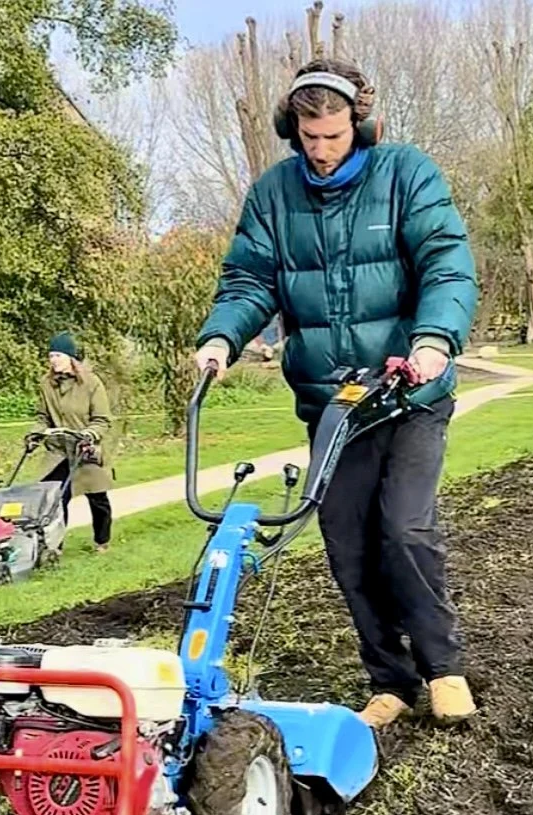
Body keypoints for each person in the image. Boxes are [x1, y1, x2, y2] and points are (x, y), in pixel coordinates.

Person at [193, 57, 479, 728]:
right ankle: (389, 680)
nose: (321, 152)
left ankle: (444, 669)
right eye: (309, 137)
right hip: (335, 404)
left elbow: (447, 262)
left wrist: (433, 339)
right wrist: (221, 338)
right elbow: (250, 281)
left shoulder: (405, 174)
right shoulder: (273, 194)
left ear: (361, 124)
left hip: (409, 392)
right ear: (291, 129)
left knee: (404, 529)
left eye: (334, 136)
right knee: (346, 541)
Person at [35, 332, 116, 553]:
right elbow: (42, 416)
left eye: (58, 355)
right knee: (56, 498)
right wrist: (36, 432)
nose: (53, 360)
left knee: (97, 498)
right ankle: (55, 546)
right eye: (51, 356)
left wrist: (90, 434)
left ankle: (102, 541)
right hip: (58, 451)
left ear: (71, 358)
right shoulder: (46, 384)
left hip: (85, 448)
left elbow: (102, 419)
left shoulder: (91, 383)